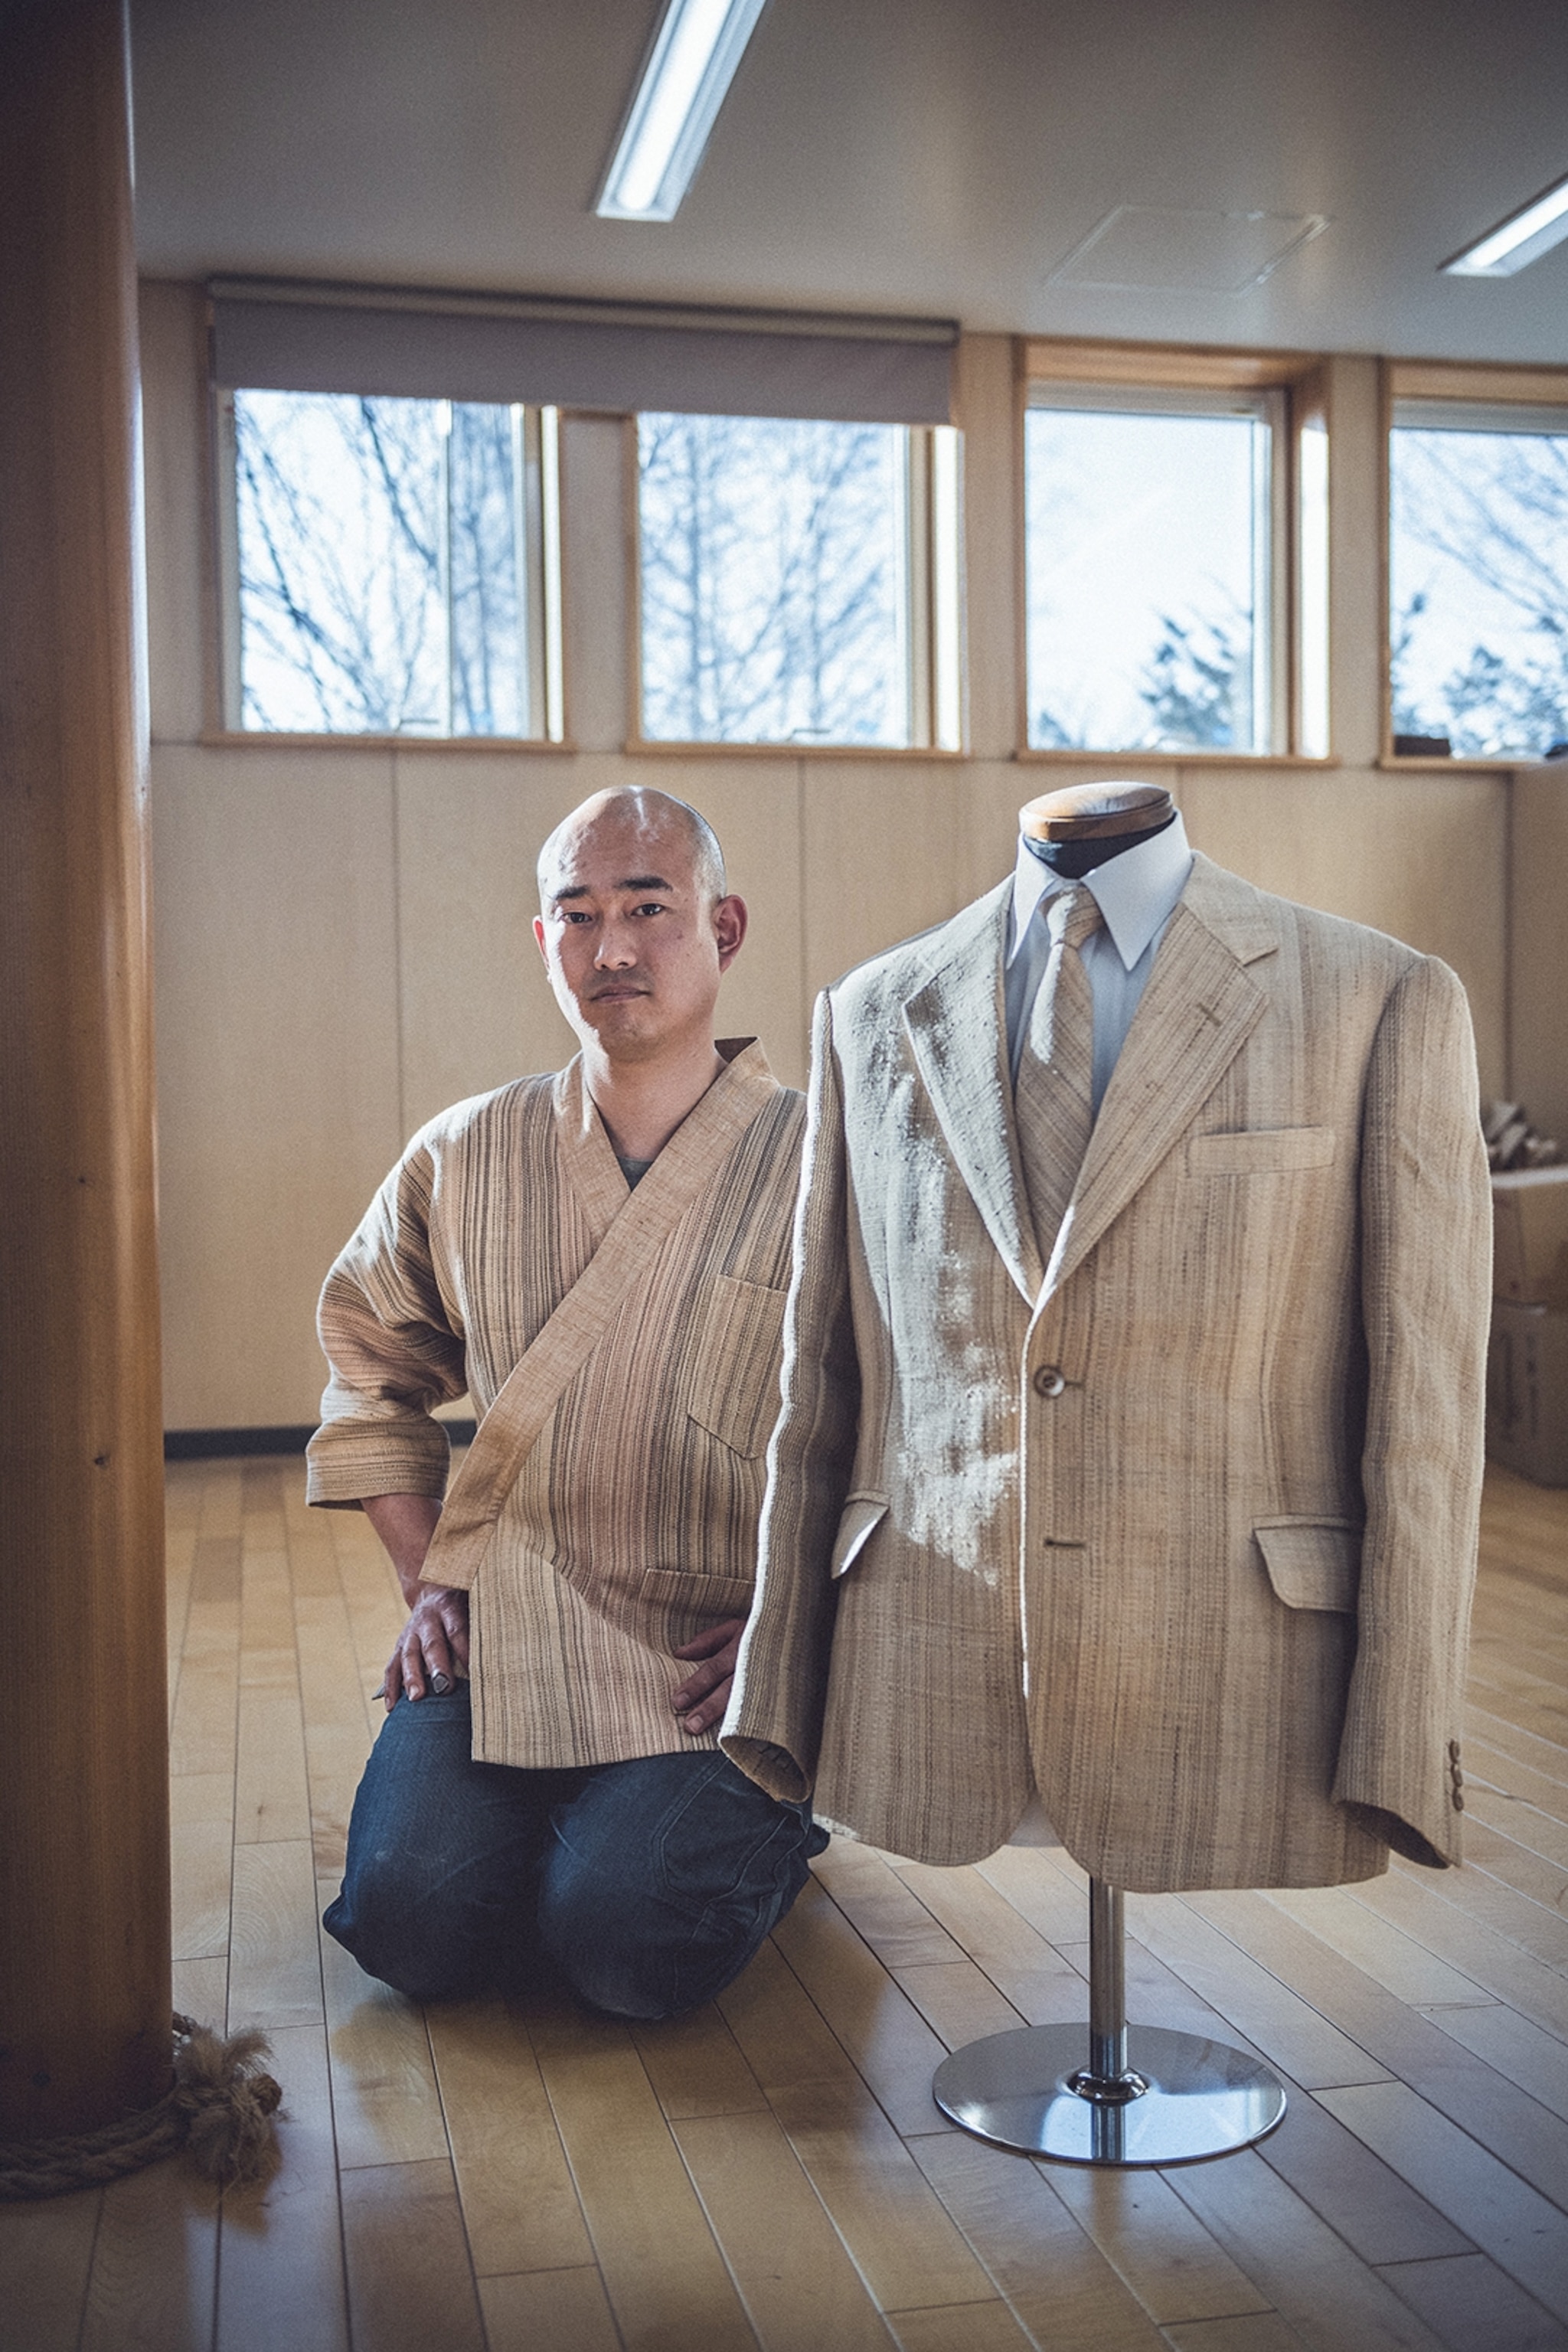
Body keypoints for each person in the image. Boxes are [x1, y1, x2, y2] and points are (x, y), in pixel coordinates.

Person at [724, 782, 1491, 1896]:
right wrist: (779, 1684)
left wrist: (1406, 1728)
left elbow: (1427, 1405)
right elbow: (821, 1372)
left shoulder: (1376, 995)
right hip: (926, 1652)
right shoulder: (871, 1009)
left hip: (1242, 1669)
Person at [309, 786, 822, 2017]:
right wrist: (430, 1579)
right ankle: (575, 1838)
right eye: (578, 916)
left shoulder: (827, 1161)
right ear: (545, 944)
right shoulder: (464, 1151)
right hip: (508, 1626)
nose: (614, 948)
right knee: (406, 1929)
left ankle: (775, 1823)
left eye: (649, 907)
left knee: (627, 1951)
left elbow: (912, 1430)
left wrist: (797, 1623)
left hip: (717, 1649)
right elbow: (368, 1367)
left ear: (725, 927)